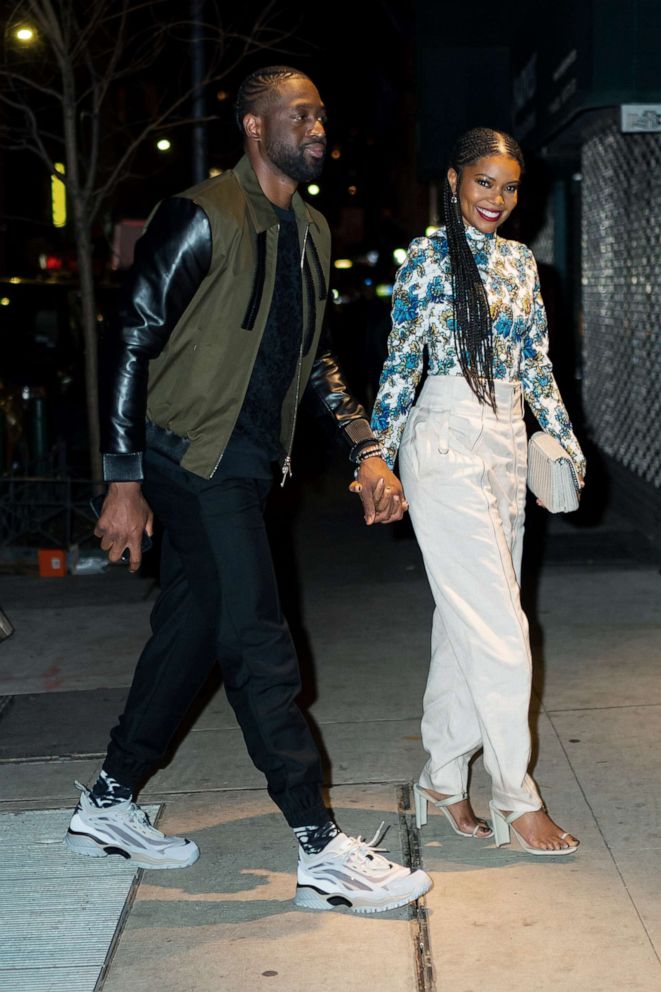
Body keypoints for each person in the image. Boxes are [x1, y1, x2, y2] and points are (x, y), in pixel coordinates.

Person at [65, 65, 431, 912]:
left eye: (322, 113)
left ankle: (108, 802)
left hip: (248, 461)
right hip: (191, 458)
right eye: (298, 113)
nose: (317, 126)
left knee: (193, 632)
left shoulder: (308, 229)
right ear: (254, 128)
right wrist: (123, 479)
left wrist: (365, 449)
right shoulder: (199, 218)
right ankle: (317, 846)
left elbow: (316, 361)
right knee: (258, 641)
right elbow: (129, 344)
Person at [370, 127, 586, 855]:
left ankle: (441, 774)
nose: (496, 198)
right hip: (444, 439)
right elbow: (399, 364)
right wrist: (375, 453)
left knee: (466, 621)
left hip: (504, 441)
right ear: (455, 182)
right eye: (483, 182)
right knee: (501, 631)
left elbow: (535, 364)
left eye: (509, 186)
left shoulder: (521, 263)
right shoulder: (427, 262)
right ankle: (514, 797)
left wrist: (563, 436)